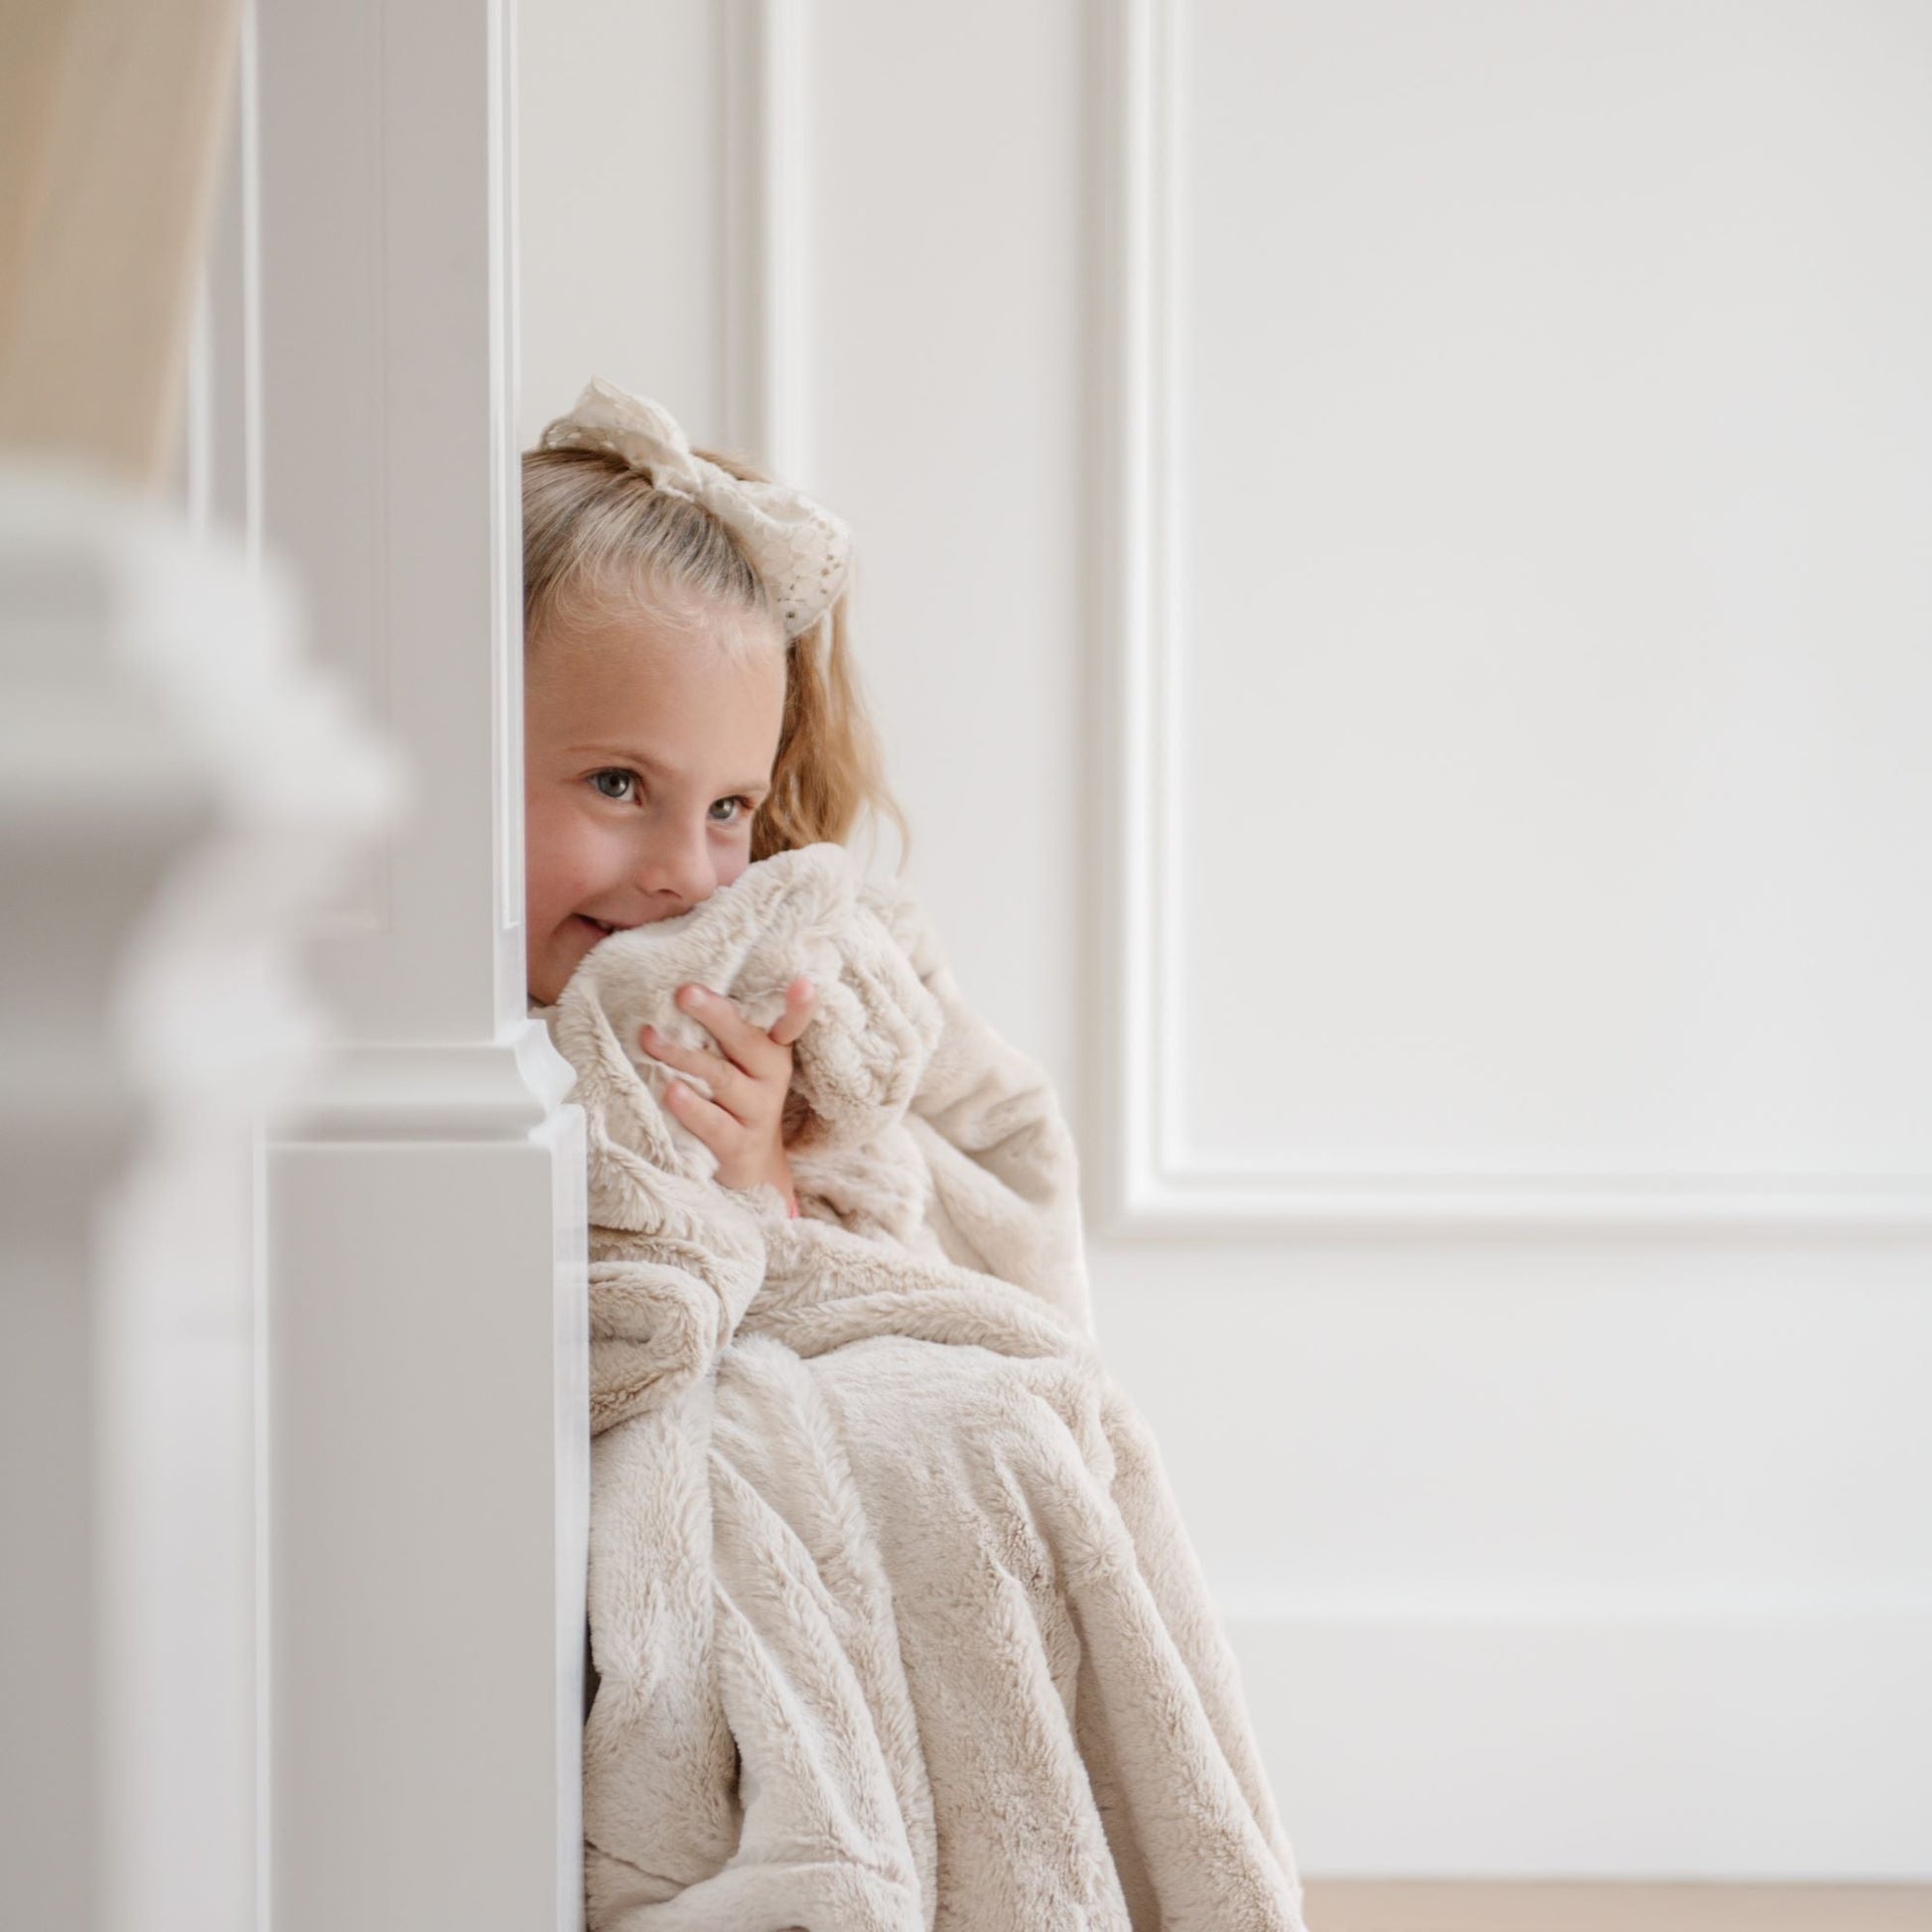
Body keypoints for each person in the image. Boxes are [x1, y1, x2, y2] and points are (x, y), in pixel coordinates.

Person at [523, 377, 1308, 1931]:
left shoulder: (778, 978)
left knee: (1019, 1420)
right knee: (949, 1446)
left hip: (776, 1333)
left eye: (731, 805)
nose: (683, 869)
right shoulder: (422, 1024)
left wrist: (761, 1176)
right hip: (633, 1403)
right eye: (619, 787)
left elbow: (925, 1206)